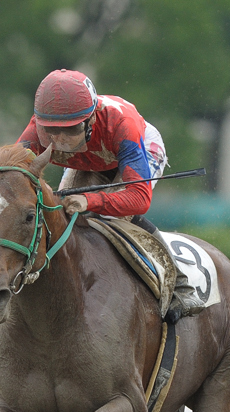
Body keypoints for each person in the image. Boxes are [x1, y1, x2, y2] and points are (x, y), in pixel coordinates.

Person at [17, 69, 203, 321]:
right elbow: (13, 177)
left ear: (91, 119)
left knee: (111, 217)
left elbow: (139, 199)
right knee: (65, 214)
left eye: (70, 130)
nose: (58, 140)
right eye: (49, 130)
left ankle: (181, 285)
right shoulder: (36, 130)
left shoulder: (122, 124)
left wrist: (90, 201)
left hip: (137, 148)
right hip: (90, 158)